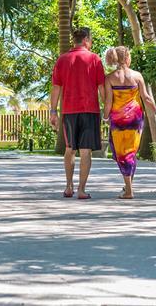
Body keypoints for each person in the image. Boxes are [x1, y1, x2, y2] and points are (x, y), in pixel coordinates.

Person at [103, 45, 156, 199]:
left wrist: (105, 118)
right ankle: (128, 187)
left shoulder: (110, 78)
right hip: (135, 119)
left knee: (121, 153)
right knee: (131, 153)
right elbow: (146, 97)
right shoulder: (137, 76)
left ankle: (129, 190)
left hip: (118, 120)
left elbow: (108, 102)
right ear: (126, 58)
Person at [49, 27, 105, 199]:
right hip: (90, 111)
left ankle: (68, 187)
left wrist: (53, 111)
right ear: (87, 40)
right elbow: (102, 88)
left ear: (75, 40)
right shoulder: (94, 58)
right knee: (85, 151)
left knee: (69, 149)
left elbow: (56, 88)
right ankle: (81, 190)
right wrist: (108, 109)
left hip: (69, 111)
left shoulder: (62, 59)